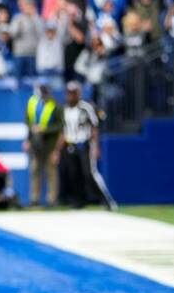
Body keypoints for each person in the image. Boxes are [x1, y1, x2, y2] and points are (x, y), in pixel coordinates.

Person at [60, 81, 117, 210]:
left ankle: (107, 201)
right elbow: (64, 131)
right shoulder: (64, 108)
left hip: (84, 144)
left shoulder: (86, 107)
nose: (71, 96)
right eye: (69, 93)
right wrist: (57, 150)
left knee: (90, 173)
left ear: (78, 94)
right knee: (74, 174)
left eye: (73, 93)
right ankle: (79, 201)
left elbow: (94, 127)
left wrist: (96, 146)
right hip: (70, 144)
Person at [24, 82, 62, 208]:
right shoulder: (32, 102)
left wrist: (44, 129)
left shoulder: (55, 105)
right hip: (36, 144)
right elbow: (28, 121)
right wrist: (28, 138)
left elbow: (60, 126)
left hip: (49, 144)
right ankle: (34, 199)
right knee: (35, 171)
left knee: (51, 172)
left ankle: (52, 199)